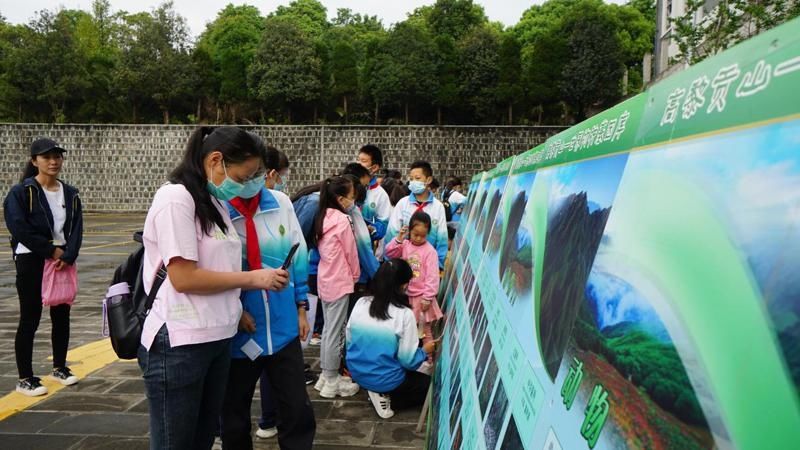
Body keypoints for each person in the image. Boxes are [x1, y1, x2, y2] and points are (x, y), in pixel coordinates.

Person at [137, 126, 289, 450]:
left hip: (217, 338)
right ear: (216, 160)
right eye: (243, 175)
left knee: (203, 440)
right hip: (181, 342)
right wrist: (253, 278)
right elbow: (185, 278)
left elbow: (220, 266)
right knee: (175, 443)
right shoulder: (175, 198)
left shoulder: (212, 201)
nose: (247, 184)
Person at [221, 141, 315, 449]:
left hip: (283, 327)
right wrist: (235, 311)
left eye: (259, 172)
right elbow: (212, 270)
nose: (253, 179)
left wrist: (301, 307)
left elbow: (297, 258)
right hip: (241, 333)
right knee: (233, 413)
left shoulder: (281, 203)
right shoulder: (219, 210)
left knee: (297, 408)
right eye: (247, 173)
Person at [3, 138, 84, 396]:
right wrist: (50, 250)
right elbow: (18, 228)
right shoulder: (22, 192)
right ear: (34, 161)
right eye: (47, 157)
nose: (53, 161)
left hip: (62, 260)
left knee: (62, 314)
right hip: (32, 259)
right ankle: (25, 377)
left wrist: (68, 254)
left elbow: (77, 228)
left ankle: (60, 367)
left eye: (57, 156)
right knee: (31, 316)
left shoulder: (70, 193)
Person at [346, 259, 437, 419]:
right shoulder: (404, 314)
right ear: (403, 285)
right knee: (431, 387)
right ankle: (386, 395)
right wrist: (424, 351)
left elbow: (349, 339)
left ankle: (375, 386)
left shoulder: (361, 303)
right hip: (385, 379)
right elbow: (408, 360)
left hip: (356, 372)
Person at [313, 176, 361, 398]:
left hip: (325, 279)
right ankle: (332, 380)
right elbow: (351, 251)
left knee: (327, 331)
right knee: (336, 331)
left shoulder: (322, 216)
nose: (353, 201)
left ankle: (325, 375)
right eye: (352, 197)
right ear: (341, 199)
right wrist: (356, 275)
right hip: (340, 280)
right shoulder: (342, 220)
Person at [385, 211, 442, 359]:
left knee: (424, 330)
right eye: (415, 234)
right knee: (404, 328)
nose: (418, 238)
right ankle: (406, 356)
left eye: (423, 235)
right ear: (409, 230)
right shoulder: (404, 244)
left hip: (421, 298)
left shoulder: (430, 252)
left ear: (429, 233)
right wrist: (398, 238)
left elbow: (432, 276)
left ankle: (428, 360)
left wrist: (428, 297)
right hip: (404, 296)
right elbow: (389, 253)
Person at [385, 161, 449, 269]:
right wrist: (391, 262)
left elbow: (442, 239)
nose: (413, 182)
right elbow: (392, 233)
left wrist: (437, 265)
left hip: (427, 264)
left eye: (417, 178)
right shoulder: (403, 204)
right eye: (411, 178)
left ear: (428, 180)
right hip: (403, 264)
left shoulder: (438, 207)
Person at [356, 145, 392, 245]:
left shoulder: (380, 195)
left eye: (363, 161)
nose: (358, 164)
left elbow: (383, 224)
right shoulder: (347, 186)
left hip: (364, 246)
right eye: (358, 160)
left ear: (374, 167)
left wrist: (372, 230)